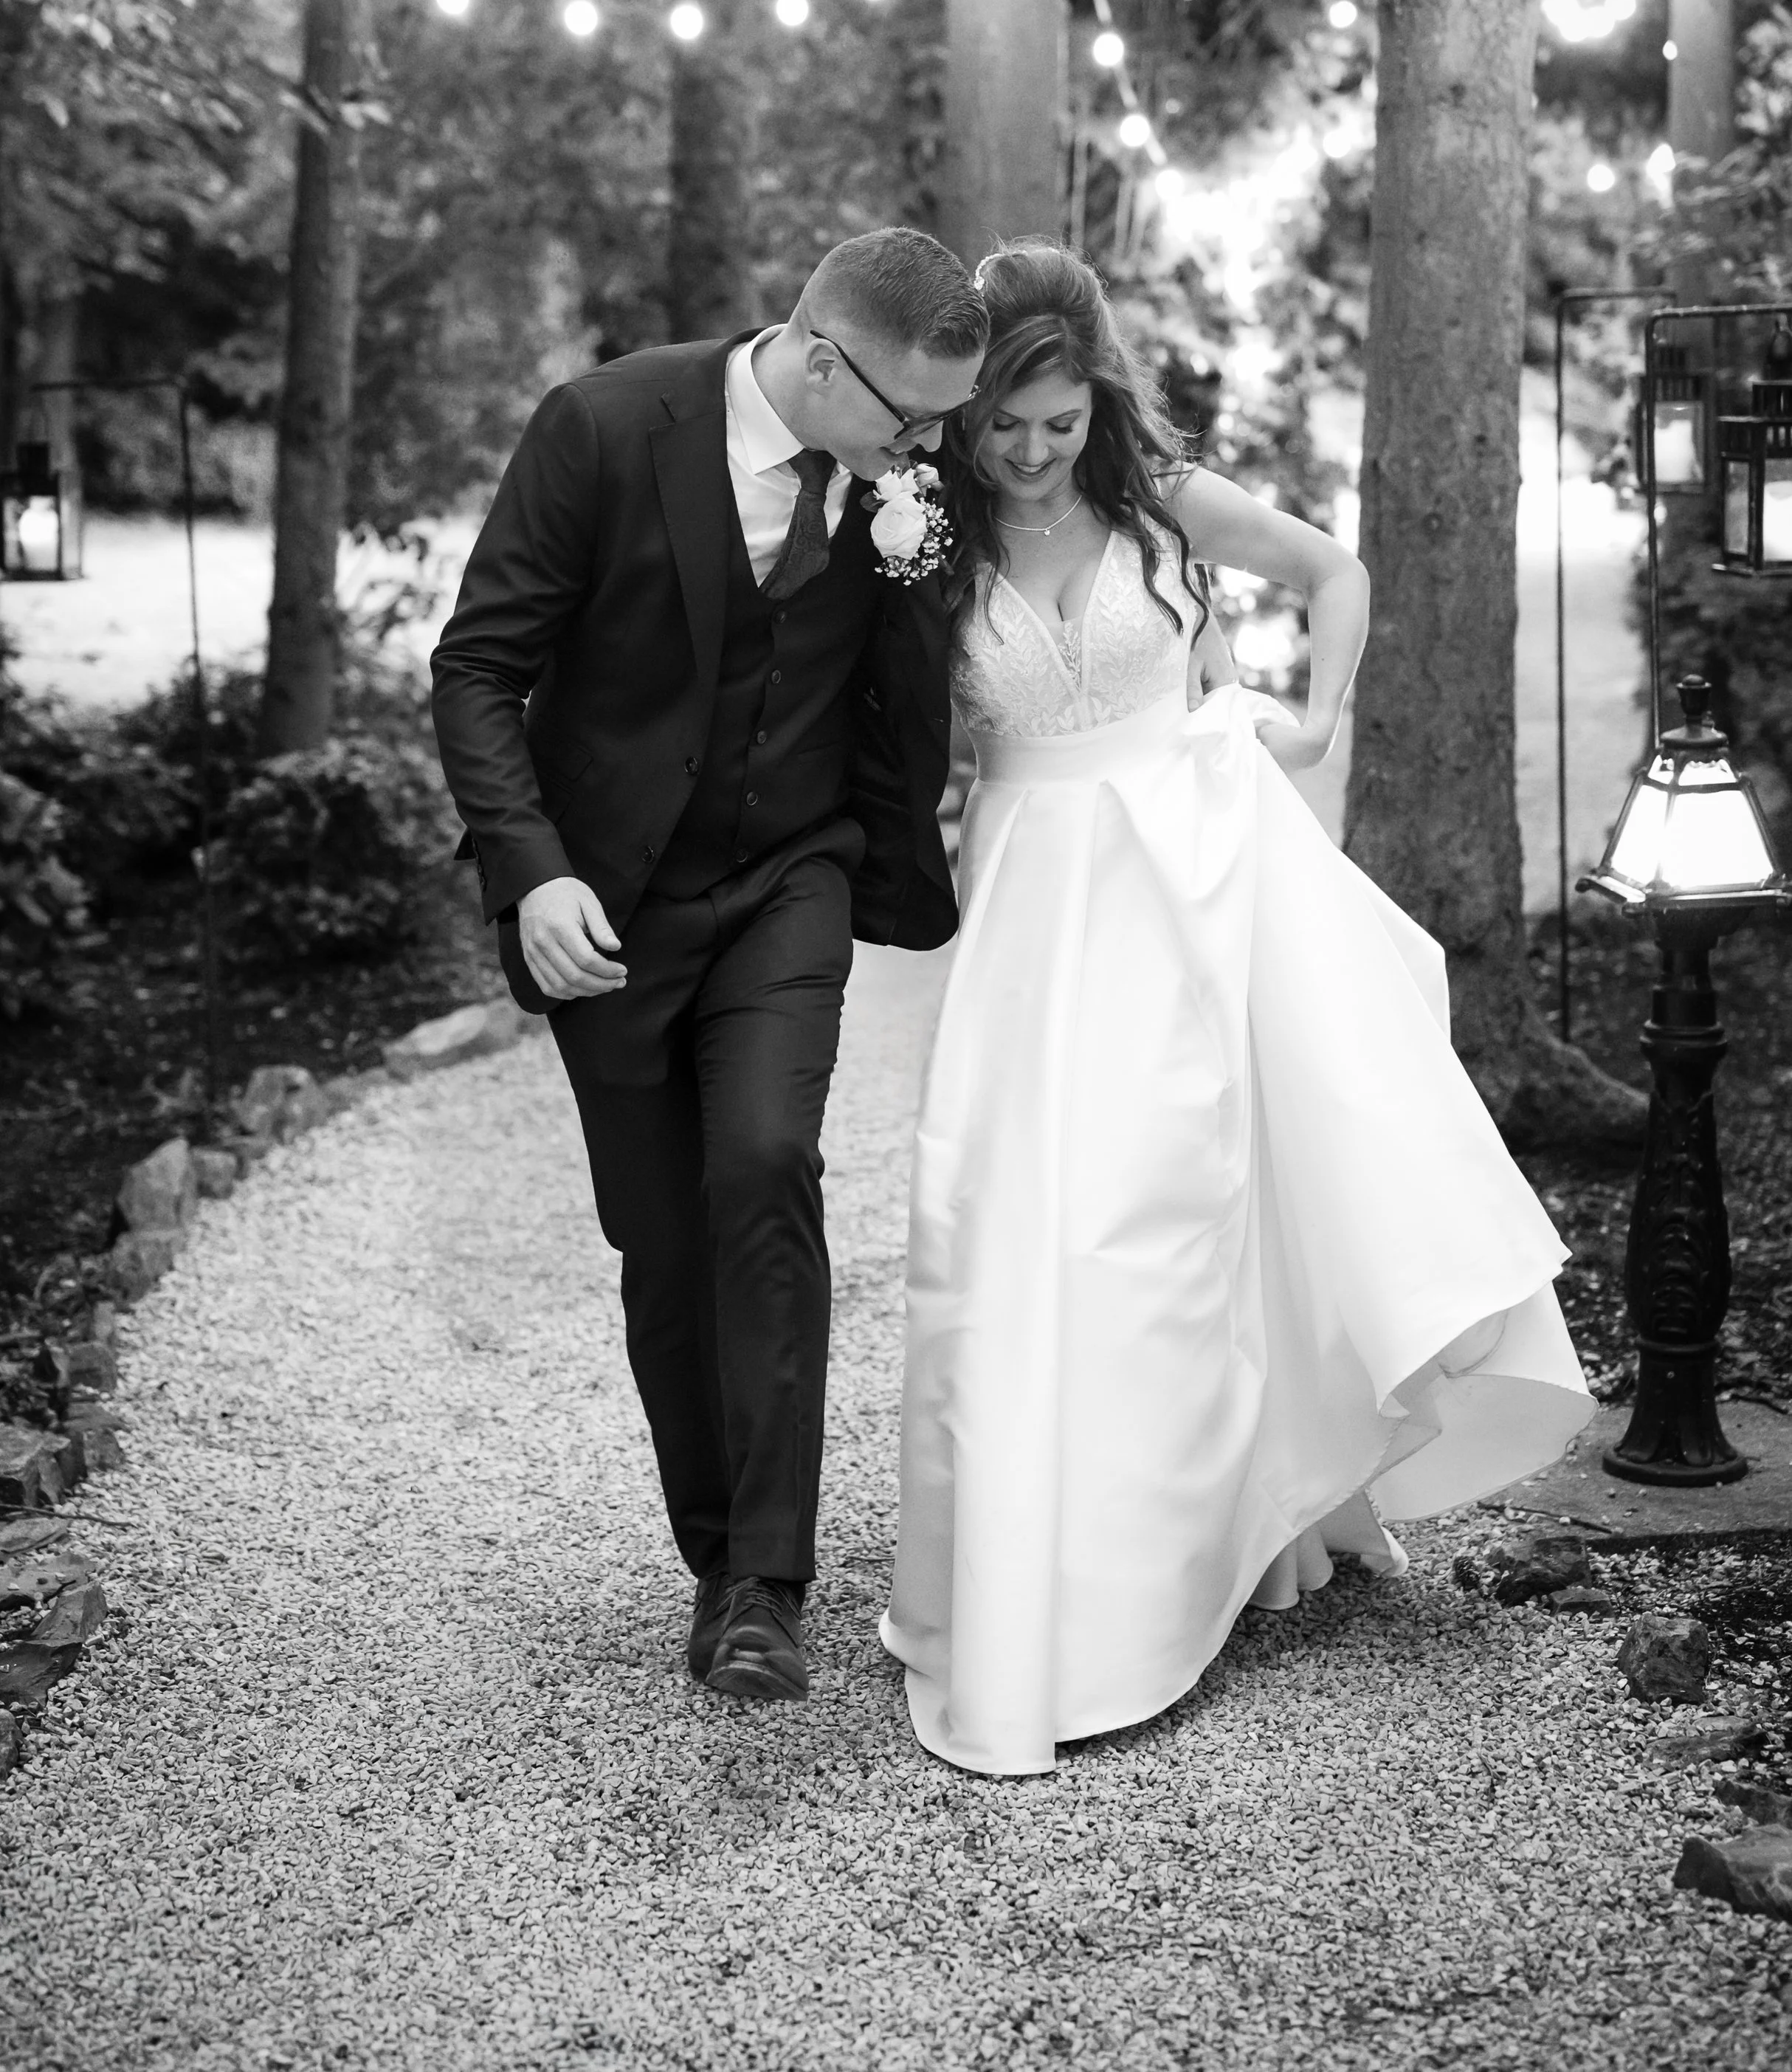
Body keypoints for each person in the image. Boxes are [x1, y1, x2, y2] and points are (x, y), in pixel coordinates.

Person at [879, 244, 1595, 1777]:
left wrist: (1313, 716)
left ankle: (1225, 1540)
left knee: (1183, 1209)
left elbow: (1334, 573)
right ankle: (1048, 1584)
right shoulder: (920, 538)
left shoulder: (1156, 506)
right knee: (1027, 1227)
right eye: (1003, 425)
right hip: (1029, 907)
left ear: (1093, 400)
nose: (1027, 451)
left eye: (1056, 422)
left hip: (1193, 881)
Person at [429, 228, 994, 1705]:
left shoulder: (898, 490)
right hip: (606, 901)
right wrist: (530, 863)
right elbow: (477, 666)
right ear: (816, 358)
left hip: (787, 881)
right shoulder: (605, 427)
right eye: (906, 415)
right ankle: (709, 1544)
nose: (925, 446)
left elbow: (917, 669)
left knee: (762, 1163)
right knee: (661, 1245)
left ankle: (766, 1581)